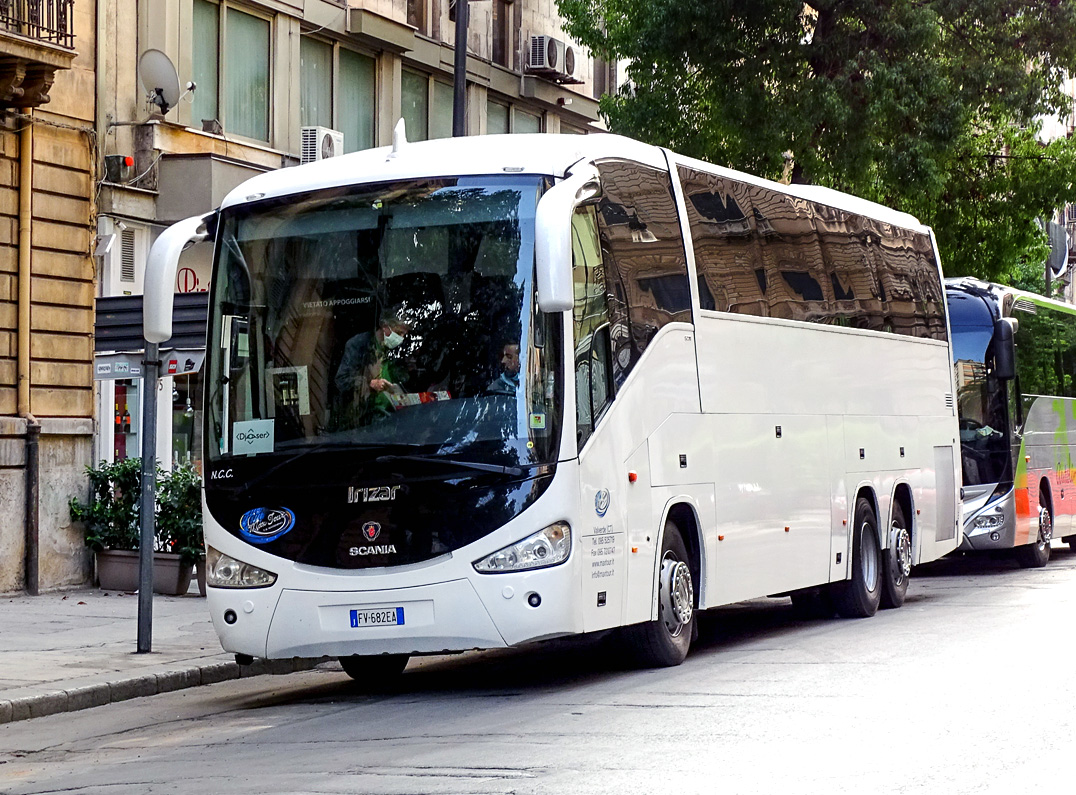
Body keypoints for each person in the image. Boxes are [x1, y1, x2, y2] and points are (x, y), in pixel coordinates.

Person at [334, 311, 412, 419]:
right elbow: (341, 380)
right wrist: (369, 383)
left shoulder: (393, 351)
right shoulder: (359, 345)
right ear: (385, 326)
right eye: (398, 333)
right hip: (366, 418)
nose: (401, 338)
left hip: (392, 415)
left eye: (404, 335)